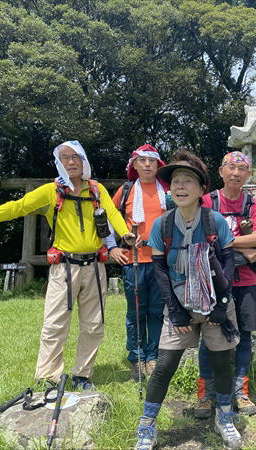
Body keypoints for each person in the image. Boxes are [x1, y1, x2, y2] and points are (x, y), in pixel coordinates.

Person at [0, 141, 134, 391]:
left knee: (94, 324)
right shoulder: (51, 191)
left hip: (94, 266)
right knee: (55, 324)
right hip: (64, 267)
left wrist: (125, 234)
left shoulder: (96, 189)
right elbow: (16, 208)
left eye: (76, 157)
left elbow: (112, 214)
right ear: (59, 162)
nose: (71, 161)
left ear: (84, 161)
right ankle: (49, 377)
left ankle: (83, 375)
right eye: (65, 157)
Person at [134, 149, 242, 450]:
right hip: (179, 304)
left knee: (222, 362)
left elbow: (228, 263)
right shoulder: (163, 225)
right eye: (175, 182)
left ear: (201, 189)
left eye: (187, 181)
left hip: (216, 303)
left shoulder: (215, 221)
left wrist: (221, 307)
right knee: (165, 365)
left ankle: (224, 416)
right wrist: (175, 310)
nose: (180, 186)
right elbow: (159, 269)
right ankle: (147, 425)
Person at [195, 151, 256, 417]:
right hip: (213, 281)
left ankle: (241, 391)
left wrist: (225, 241)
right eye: (231, 167)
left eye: (241, 168)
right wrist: (242, 247)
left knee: (244, 336)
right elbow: (202, 236)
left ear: (248, 174)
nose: (236, 173)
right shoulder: (207, 201)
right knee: (210, 335)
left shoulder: (252, 204)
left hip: (245, 279)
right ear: (221, 171)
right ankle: (206, 393)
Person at [105, 144, 169, 381]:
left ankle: (153, 356)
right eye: (142, 160)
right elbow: (106, 218)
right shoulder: (126, 190)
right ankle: (136, 358)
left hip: (162, 259)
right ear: (134, 165)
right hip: (134, 260)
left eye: (151, 161)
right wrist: (112, 248)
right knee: (136, 312)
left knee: (157, 311)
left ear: (158, 164)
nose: (147, 165)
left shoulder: (168, 189)